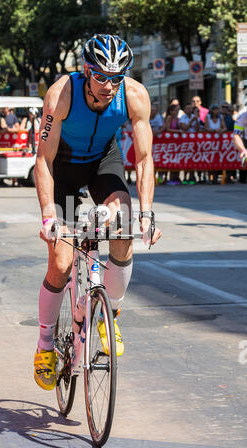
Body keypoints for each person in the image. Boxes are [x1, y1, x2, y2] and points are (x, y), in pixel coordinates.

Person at [33, 33, 162, 391]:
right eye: (102, 77)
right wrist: (49, 217)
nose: (109, 86)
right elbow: (42, 160)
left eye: (116, 78)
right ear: (87, 71)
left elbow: (146, 158)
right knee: (60, 263)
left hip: (102, 163)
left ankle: (110, 314)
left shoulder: (134, 96)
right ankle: (45, 344)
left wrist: (148, 214)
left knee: (122, 229)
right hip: (64, 170)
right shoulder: (61, 95)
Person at [164, 104, 182, 185]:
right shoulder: (169, 118)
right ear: (171, 111)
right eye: (175, 110)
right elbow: (167, 128)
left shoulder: (178, 119)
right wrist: (177, 132)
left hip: (177, 143)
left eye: (178, 110)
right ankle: (170, 178)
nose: (177, 112)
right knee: (170, 159)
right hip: (169, 142)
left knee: (177, 159)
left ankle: (176, 177)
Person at [233, 111, 247, 183]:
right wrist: (243, 150)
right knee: (244, 162)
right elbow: (236, 136)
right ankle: (243, 178)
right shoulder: (243, 117)